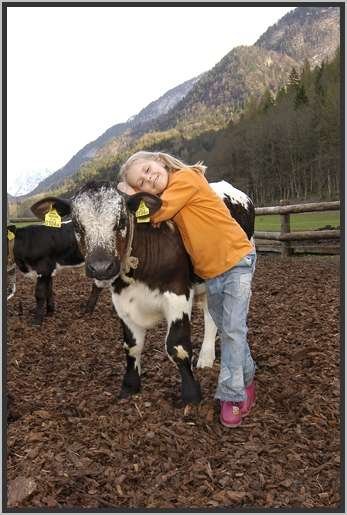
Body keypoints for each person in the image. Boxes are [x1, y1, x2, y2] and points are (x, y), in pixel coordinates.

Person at [117, 150, 256, 427]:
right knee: (230, 329)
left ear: (160, 160)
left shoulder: (186, 179)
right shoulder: (171, 191)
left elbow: (157, 212)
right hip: (212, 273)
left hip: (237, 260)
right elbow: (153, 214)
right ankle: (248, 378)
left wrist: (126, 189)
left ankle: (232, 395)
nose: (148, 179)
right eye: (140, 183)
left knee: (231, 330)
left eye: (147, 170)